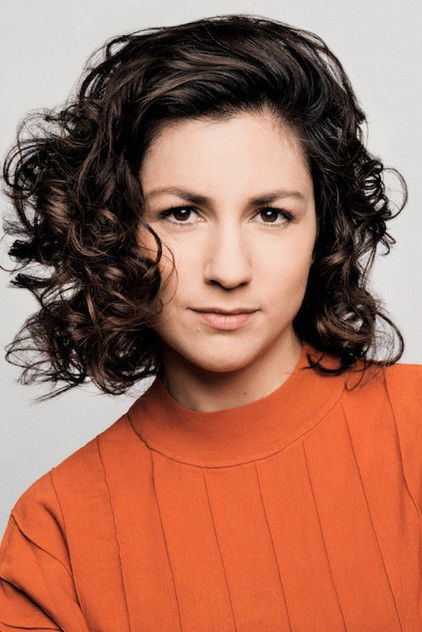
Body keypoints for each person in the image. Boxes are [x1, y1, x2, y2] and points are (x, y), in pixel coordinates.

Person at [0, 12, 421, 631]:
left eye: (271, 214)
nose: (229, 269)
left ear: (322, 233)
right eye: (182, 214)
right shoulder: (54, 533)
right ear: (115, 232)